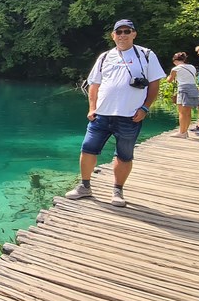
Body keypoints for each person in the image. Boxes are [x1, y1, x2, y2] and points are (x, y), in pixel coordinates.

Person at [66, 19, 166, 207]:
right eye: (118, 32)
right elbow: (94, 84)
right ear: (113, 35)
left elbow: (154, 84)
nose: (122, 35)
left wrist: (145, 107)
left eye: (126, 31)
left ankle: (118, 190)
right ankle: (85, 186)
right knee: (87, 150)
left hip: (130, 116)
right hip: (101, 115)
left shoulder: (146, 55)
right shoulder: (105, 57)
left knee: (124, 155)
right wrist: (91, 108)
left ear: (134, 34)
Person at [166, 52, 199, 138]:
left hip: (183, 89)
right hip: (193, 88)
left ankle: (182, 132)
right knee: (188, 112)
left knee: (182, 112)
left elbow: (169, 80)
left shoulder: (176, 69)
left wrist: (168, 77)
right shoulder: (192, 67)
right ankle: (185, 131)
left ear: (175, 60)